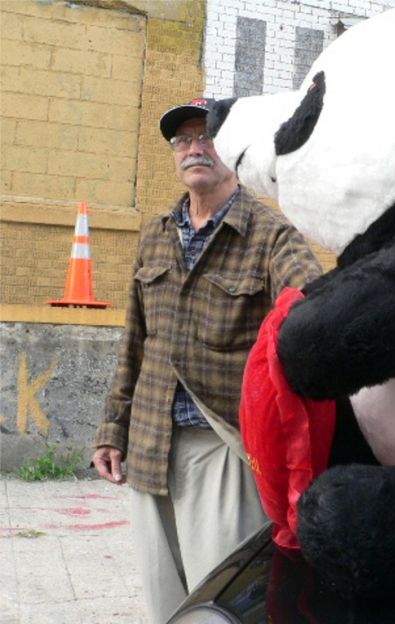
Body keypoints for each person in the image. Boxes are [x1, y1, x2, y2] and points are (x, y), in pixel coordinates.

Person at [92, 97, 322, 624]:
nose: (195, 148)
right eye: (183, 140)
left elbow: (311, 305)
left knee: (220, 605)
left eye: (208, 137)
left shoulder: (270, 236)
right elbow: (136, 341)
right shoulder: (155, 235)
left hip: (222, 450)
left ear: (233, 151)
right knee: (164, 605)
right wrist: (113, 429)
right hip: (149, 448)